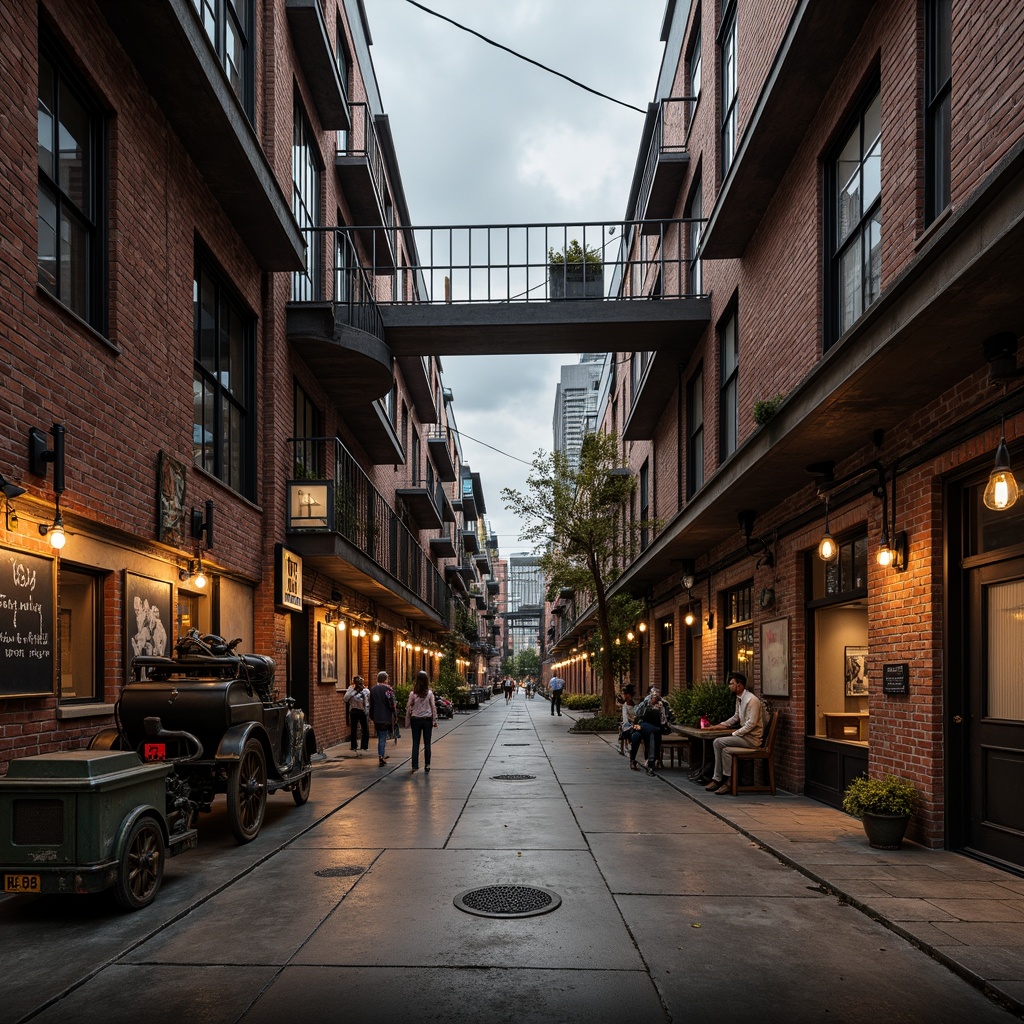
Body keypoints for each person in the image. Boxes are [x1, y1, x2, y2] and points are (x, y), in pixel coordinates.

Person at [705, 672, 764, 795]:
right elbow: (736, 717)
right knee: (718, 743)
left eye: (731, 683)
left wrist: (735, 733)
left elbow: (751, 724)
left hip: (752, 740)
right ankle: (718, 779)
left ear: (740, 685)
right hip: (744, 736)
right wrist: (719, 726)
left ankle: (727, 781)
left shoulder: (752, 700)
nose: (729, 686)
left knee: (719, 742)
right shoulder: (739, 698)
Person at [405, 670, 438, 773]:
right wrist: (434, 719)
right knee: (427, 743)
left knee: (416, 743)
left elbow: (408, 706)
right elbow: (433, 707)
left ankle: (415, 765)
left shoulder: (413, 694)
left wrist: (408, 719)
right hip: (427, 720)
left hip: (416, 720)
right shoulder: (429, 693)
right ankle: (427, 765)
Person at [629, 687, 667, 775]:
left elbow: (664, 720)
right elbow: (637, 712)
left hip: (654, 728)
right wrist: (647, 701)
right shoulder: (645, 704)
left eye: (656, 695)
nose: (655, 697)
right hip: (642, 727)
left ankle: (651, 763)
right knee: (636, 736)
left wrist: (661, 703)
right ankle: (632, 760)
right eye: (652, 695)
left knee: (652, 732)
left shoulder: (662, 705)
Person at [369, 670, 397, 767]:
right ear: (385, 679)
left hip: (376, 716)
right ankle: (381, 756)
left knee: (381, 736)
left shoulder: (373, 689)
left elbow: (371, 704)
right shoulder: (388, 690)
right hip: (385, 716)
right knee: (382, 737)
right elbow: (392, 704)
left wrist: (372, 716)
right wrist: (394, 714)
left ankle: (381, 754)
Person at [344, 676, 370, 755]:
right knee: (353, 729)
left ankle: (364, 746)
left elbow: (368, 700)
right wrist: (354, 691)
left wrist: (367, 710)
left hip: (363, 711)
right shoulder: (351, 689)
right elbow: (345, 699)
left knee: (365, 729)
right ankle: (354, 745)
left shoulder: (366, 690)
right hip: (354, 710)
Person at [618, 686, 636, 755]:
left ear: (628, 695)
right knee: (628, 728)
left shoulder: (634, 704)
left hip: (635, 723)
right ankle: (628, 744)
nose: (623, 696)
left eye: (624, 694)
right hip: (627, 724)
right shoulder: (625, 706)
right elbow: (625, 718)